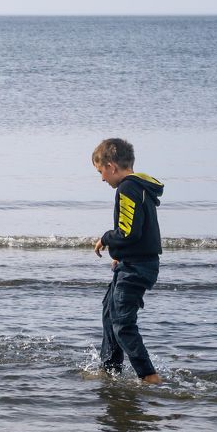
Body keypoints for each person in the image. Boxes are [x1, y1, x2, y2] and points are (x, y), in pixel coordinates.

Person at [92, 138, 164, 384]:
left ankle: (149, 375)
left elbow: (127, 231)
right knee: (109, 313)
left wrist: (106, 238)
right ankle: (110, 371)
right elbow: (138, 230)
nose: (102, 179)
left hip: (136, 268)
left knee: (122, 323)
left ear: (111, 166)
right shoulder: (139, 187)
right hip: (133, 262)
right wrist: (120, 256)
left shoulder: (127, 189)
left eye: (101, 171)